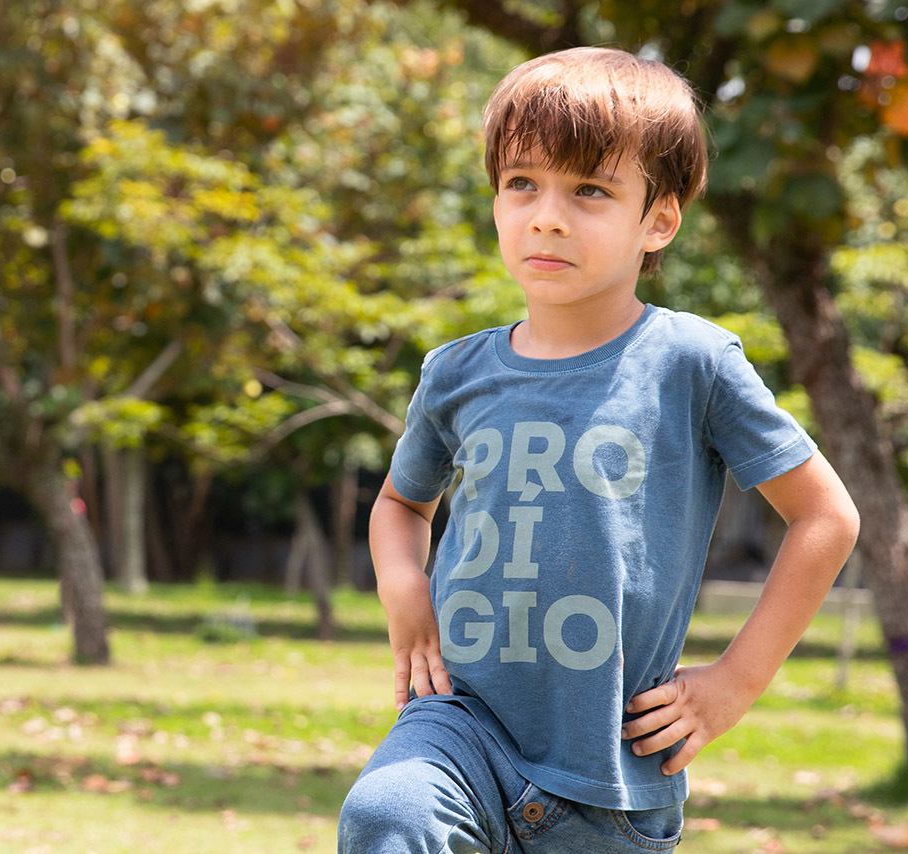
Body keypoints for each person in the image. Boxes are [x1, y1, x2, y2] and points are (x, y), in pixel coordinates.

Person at [337, 46, 860, 853]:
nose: (547, 214)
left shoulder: (693, 363)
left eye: (589, 189)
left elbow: (825, 517)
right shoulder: (457, 373)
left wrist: (734, 684)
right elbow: (403, 502)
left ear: (659, 219)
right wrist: (404, 586)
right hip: (459, 726)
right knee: (388, 812)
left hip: (612, 774)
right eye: (522, 183)